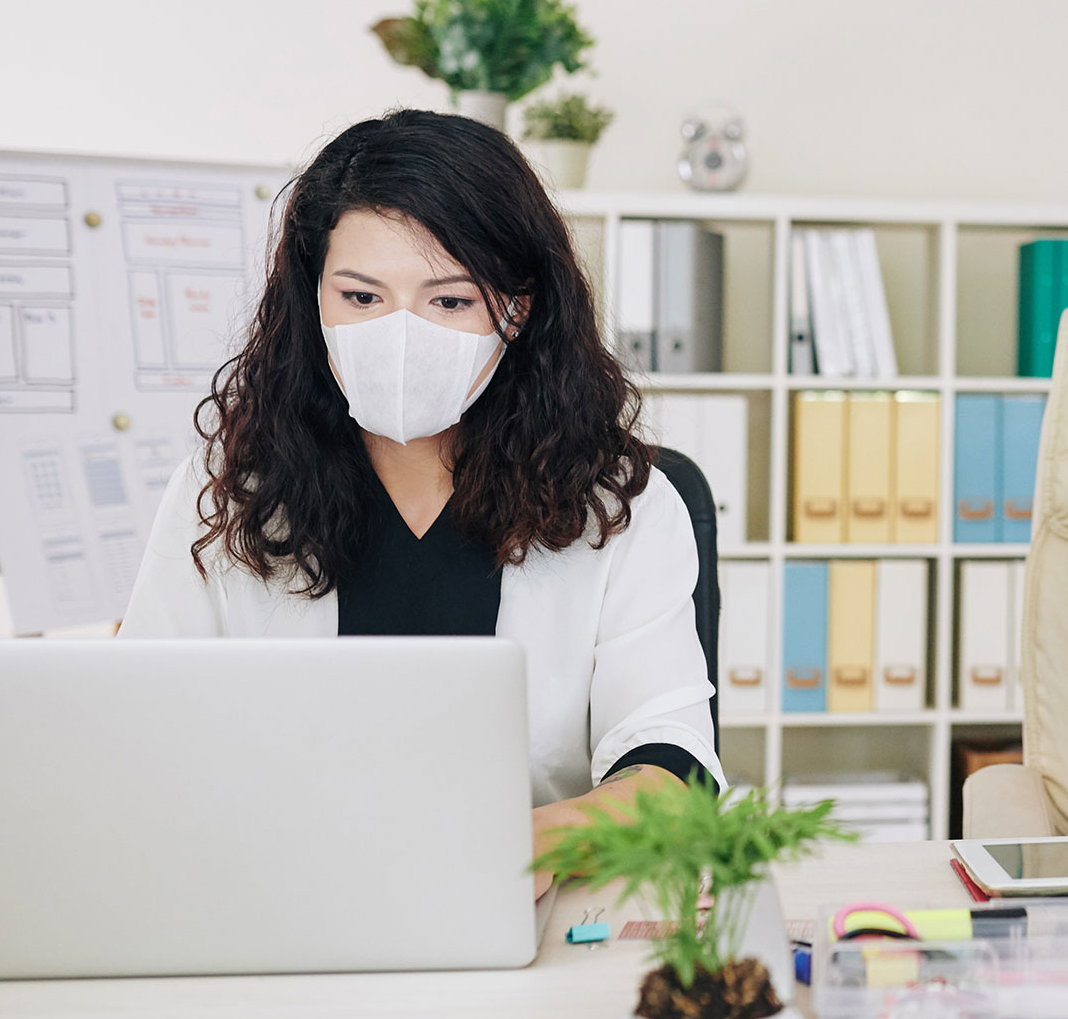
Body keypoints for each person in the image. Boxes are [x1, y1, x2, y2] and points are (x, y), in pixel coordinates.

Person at [121, 110, 721, 895]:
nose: (402, 335)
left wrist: (511, 851)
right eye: (363, 296)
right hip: (272, 900)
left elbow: (672, 772)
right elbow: (135, 740)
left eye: (450, 302)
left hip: (527, 906)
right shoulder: (225, 492)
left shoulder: (622, 505)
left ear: (519, 307)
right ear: (314, 300)